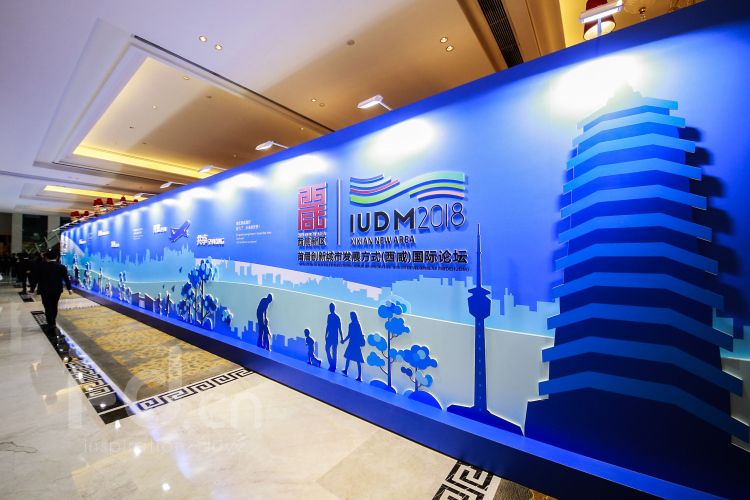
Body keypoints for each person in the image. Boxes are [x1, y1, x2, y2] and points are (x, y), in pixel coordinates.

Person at [35, 250, 72, 335]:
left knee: (47, 306)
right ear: (57, 257)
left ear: (46, 257)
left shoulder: (41, 266)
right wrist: (69, 288)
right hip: (57, 290)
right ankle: (53, 321)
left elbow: (36, 278)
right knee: (54, 305)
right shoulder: (61, 267)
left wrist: (33, 288)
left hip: (44, 290)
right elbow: (66, 278)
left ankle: (51, 323)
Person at [342, 311, 365, 381]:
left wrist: (344, 340)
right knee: (350, 358)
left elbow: (351, 335)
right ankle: (346, 370)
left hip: (354, 343)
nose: (351, 317)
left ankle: (359, 376)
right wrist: (344, 340)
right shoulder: (354, 324)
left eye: (351, 316)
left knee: (356, 359)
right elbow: (350, 334)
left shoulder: (354, 325)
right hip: (353, 343)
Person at [324, 302, 342, 372]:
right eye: (330, 308)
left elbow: (339, 328)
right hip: (330, 336)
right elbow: (328, 326)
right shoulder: (329, 316)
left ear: (334, 308)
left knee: (334, 352)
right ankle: (331, 363)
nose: (330, 309)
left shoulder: (337, 317)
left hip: (335, 336)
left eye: (331, 307)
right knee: (327, 349)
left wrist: (341, 337)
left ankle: (333, 366)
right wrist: (326, 334)